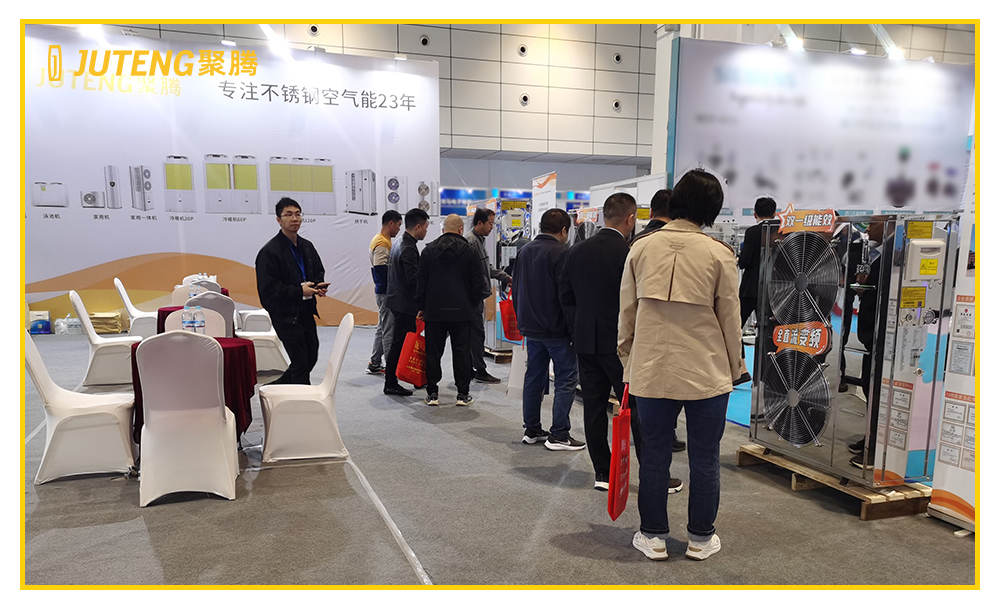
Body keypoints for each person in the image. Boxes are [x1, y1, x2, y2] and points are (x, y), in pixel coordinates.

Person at [620, 169, 744, 562]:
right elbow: (731, 321)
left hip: (651, 368)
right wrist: (736, 367)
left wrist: (628, 360)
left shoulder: (641, 248)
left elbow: (626, 314)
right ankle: (700, 539)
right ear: (713, 209)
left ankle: (653, 536)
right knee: (705, 458)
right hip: (707, 371)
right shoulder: (719, 254)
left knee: (654, 454)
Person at [561, 192, 662, 491]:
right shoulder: (630, 253)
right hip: (621, 344)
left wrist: (578, 329)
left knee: (593, 408)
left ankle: (603, 473)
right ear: (631, 218)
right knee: (635, 408)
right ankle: (652, 474)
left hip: (585, 341)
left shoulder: (575, 251)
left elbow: (566, 297)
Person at [512, 208, 584, 451]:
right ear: (564, 230)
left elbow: (517, 289)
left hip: (531, 328)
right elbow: (566, 297)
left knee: (534, 377)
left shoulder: (524, 251)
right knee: (566, 379)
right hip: (557, 330)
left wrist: (522, 321)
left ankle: (532, 429)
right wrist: (574, 330)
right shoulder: (562, 253)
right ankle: (559, 434)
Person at [629, 188, 687, 455]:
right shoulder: (698, 246)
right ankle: (667, 433)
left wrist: (624, 348)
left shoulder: (637, 243)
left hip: (643, 338)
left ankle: (651, 441)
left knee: (644, 401)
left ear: (651, 211)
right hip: (682, 339)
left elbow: (626, 302)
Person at [417, 214, 491, 406]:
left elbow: (421, 283)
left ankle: (432, 393)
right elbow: (478, 284)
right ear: (460, 229)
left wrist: (422, 307)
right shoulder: (470, 251)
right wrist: (472, 304)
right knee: (462, 352)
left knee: (433, 353)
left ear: (443, 229)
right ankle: (463, 394)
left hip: (434, 311)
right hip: (462, 312)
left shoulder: (428, 251)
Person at [255, 198, 329, 385]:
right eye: (288, 214)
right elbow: (268, 289)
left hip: (306, 311)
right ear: (278, 220)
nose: (294, 218)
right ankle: (302, 398)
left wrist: (317, 286)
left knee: (311, 356)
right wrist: (299, 291)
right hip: (285, 315)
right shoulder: (269, 252)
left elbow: (318, 270)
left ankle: (275, 388)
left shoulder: (307, 246)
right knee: (301, 362)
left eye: (297, 214)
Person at [849, 219, 893, 469]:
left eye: (872, 224)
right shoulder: (880, 252)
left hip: (883, 333)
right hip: (873, 334)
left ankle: (877, 448)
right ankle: (871, 437)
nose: (867, 229)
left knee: (878, 391)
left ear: (888, 225)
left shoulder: (895, 253)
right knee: (869, 385)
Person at [384, 208, 429, 396]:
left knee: (401, 343)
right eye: (425, 227)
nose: (426, 231)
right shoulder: (408, 248)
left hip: (397, 300)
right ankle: (390, 382)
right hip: (404, 304)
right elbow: (413, 280)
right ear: (418, 226)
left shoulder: (400, 243)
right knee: (400, 344)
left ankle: (404, 378)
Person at [466, 208, 512, 384]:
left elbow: (487, 268)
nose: (492, 227)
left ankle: (471, 368)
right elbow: (472, 273)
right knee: (476, 334)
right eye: (490, 223)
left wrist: (506, 277)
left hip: (477, 296)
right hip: (472, 298)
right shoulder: (471, 242)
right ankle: (479, 370)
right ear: (480, 223)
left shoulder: (479, 240)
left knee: (475, 333)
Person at [736, 196, 775, 386]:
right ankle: (766, 377)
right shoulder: (779, 232)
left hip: (750, 289)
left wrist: (738, 259)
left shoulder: (752, 232)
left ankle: (741, 369)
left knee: (734, 327)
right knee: (767, 332)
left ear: (754, 214)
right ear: (774, 214)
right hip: (772, 290)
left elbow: (744, 261)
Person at [368, 210, 403, 375]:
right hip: (385, 292)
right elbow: (380, 270)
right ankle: (391, 368)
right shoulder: (382, 242)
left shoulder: (382, 240)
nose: (399, 229)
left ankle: (375, 362)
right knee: (389, 329)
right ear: (391, 223)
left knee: (382, 326)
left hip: (383, 291)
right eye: (398, 225)